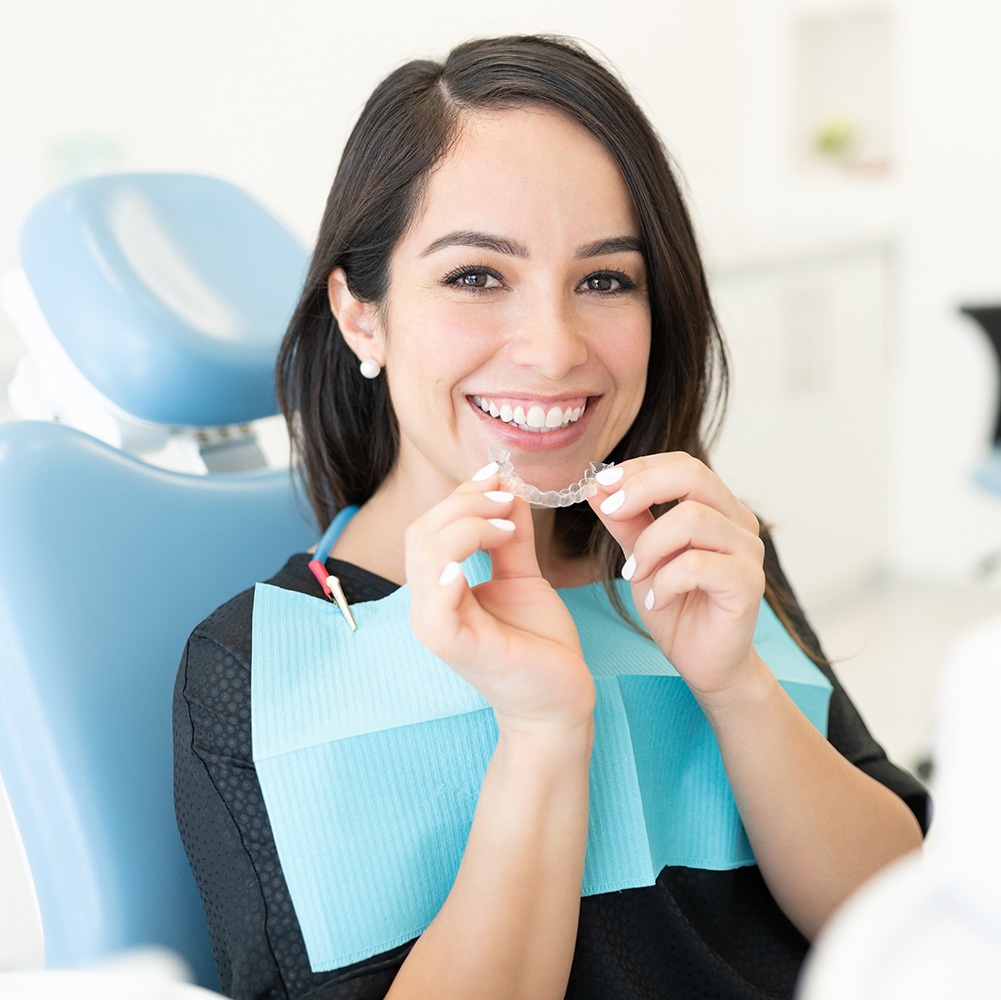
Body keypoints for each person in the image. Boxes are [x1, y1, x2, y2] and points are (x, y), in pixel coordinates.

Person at [173, 34, 928, 1000]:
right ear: (363, 316)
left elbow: (915, 927)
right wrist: (541, 731)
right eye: (476, 276)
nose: (552, 348)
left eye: (605, 280)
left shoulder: (699, 557)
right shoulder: (255, 665)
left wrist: (735, 685)